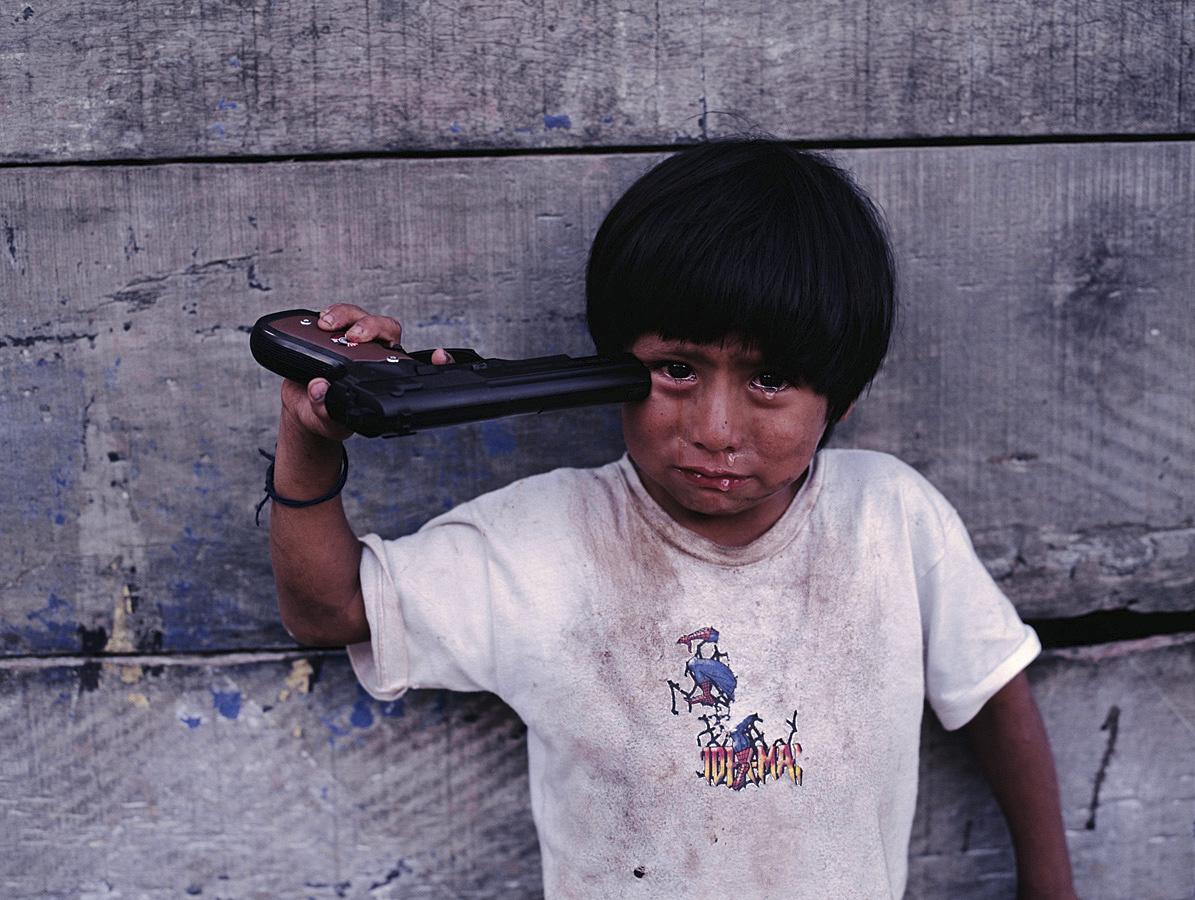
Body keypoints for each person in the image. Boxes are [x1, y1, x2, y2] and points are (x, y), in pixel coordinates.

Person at [265, 139, 1078, 899]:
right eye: (676, 369)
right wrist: (310, 437)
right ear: (610, 366)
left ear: (841, 397)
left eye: (771, 381)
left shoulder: (889, 520)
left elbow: (994, 692)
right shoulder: (551, 542)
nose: (715, 429)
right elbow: (329, 609)